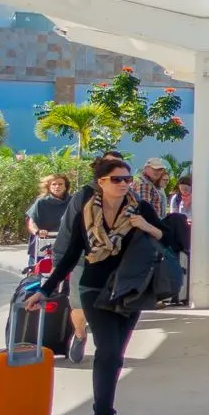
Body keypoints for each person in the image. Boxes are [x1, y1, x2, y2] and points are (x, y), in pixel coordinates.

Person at [25, 158, 168, 415]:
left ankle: (102, 407)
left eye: (127, 179)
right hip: (94, 288)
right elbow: (70, 256)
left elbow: (167, 239)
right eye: (117, 179)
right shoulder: (86, 211)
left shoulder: (141, 209)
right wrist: (45, 289)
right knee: (108, 350)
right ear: (101, 182)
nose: (124, 184)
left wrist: (146, 226)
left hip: (130, 289)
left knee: (116, 354)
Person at [49, 150, 125, 365]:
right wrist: (60, 261)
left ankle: (110, 351)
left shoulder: (129, 196)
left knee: (115, 308)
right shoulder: (83, 195)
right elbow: (67, 230)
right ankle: (80, 335)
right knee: (80, 306)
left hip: (116, 262)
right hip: (84, 260)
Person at [26, 173, 71, 265]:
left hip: (66, 242)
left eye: (60, 184)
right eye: (53, 184)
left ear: (66, 186)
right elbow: (31, 222)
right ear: (49, 187)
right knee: (37, 271)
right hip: (43, 242)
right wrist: (38, 231)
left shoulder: (73, 201)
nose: (57, 186)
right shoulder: (41, 202)